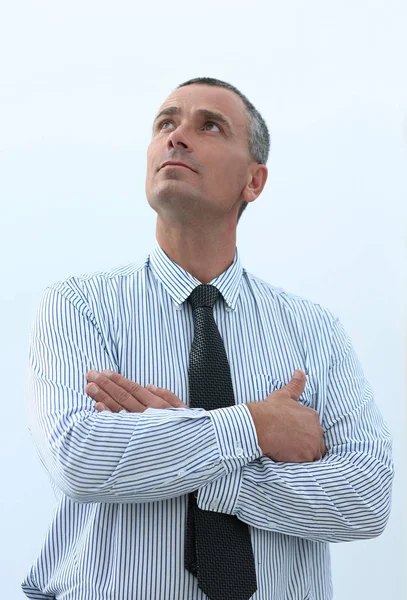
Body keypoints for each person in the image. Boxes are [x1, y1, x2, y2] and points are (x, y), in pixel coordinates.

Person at [22, 77, 394, 600]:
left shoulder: (316, 332)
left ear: (254, 181)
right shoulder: (77, 306)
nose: (177, 137)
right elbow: (79, 456)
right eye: (165, 123)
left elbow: (366, 497)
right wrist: (255, 428)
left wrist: (182, 448)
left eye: (209, 126)